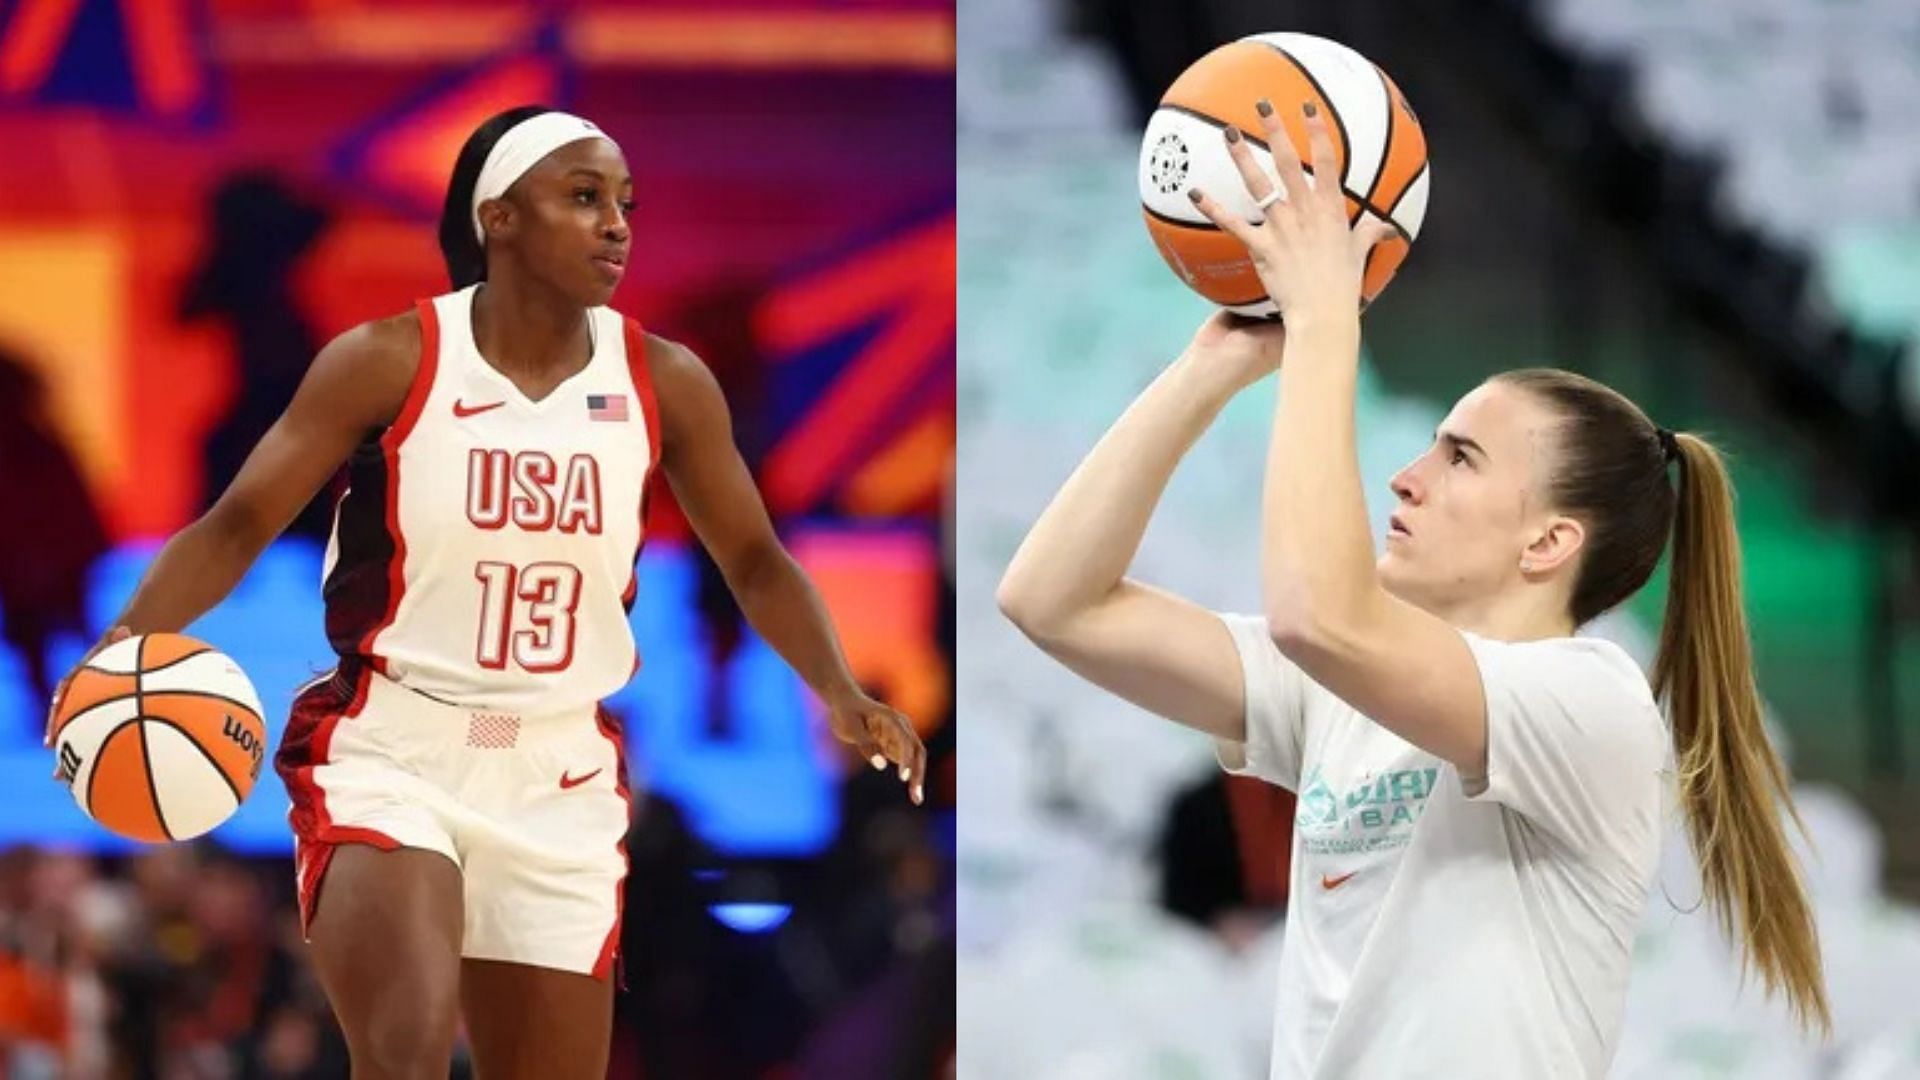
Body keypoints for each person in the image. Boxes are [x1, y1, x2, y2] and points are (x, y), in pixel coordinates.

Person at [47, 105, 926, 1078]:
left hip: (559, 766)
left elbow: (755, 559)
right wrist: (123, 639)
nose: (617, 225)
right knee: (410, 1051)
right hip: (397, 747)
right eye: (584, 198)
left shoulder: (664, 382)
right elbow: (239, 522)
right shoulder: (388, 360)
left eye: (625, 202)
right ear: (498, 217)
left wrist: (839, 690)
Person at [997, 100, 1828, 1078]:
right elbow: (1051, 601)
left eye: (1461, 457)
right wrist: (1209, 368)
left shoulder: (1591, 699)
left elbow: (1318, 617)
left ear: (1551, 540)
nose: (1408, 476)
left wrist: (1320, 326)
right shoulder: (1339, 689)